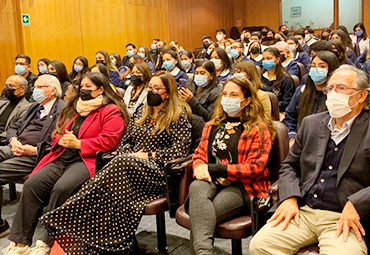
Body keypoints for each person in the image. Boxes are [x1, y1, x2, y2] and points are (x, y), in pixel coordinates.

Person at [39, 71, 192, 255]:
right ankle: (110, 244)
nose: (151, 91)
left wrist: (148, 156)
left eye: (157, 88)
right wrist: (132, 155)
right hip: (128, 168)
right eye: (150, 87)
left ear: (168, 92)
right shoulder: (142, 111)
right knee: (110, 193)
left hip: (158, 172)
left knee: (116, 169)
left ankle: (68, 214)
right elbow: (125, 142)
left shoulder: (178, 114)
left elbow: (180, 151)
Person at [2, 72, 128, 255]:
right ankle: (19, 243)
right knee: (32, 185)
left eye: (88, 87)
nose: (83, 90)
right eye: (82, 86)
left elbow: (110, 141)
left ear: (101, 90)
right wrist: (61, 139)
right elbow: (57, 131)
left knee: (61, 189)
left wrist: (79, 144)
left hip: (86, 159)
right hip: (62, 156)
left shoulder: (111, 110)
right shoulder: (73, 107)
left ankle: (46, 242)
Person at [250, 65, 370, 255]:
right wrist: (289, 197)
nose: (333, 94)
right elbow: (290, 166)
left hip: (344, 217)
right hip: (303, 210)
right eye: (330, 89)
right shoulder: (311, 123)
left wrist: (357, 203)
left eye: (341, 88)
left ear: (361, 96)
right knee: (260, 245)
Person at [189, 77, 275, 255]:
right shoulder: (212, 125)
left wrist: (214, 169)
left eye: (234, 95)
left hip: (242, 186)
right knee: (196, 186)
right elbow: (199, 155)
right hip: (210, 181)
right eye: (225, 94)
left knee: (200, 219)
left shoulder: (258, 129)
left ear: (247, 100)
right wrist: (198, 166)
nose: (228, 98)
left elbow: (254, 169)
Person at [0, 75, 66, 237]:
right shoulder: (35, 107)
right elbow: (14, 127)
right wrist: (13, 139)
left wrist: (34, 150)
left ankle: (1, 225)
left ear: (53, 90)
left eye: (40, 87)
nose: (35, 90)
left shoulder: (63, 110)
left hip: (36, 155)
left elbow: (60, 142)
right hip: (16, 147)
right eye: (35, 87)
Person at [283, 51, 339, 146]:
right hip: (300, 141)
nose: (316, 69)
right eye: (313, 66)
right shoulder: (301, 91)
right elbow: (289, 119)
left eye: (322, 66)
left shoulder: (337, 97)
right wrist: (292, 137)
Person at [261, 47, 294, 112]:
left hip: (278, 111)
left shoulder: (286, 79)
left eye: (269, 58)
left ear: (277, 59)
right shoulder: (260, 76)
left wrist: (270, 106)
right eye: (263, 59)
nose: (265, 61)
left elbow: (287, 101)